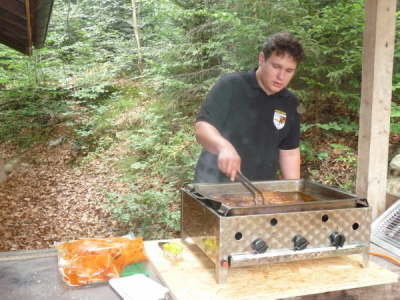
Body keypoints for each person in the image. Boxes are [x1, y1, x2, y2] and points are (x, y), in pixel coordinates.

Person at [194, 32, 304, 183]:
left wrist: (293, 193)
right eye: (276, 66)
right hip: (213, 186)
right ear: (261, 59)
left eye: (289, 71)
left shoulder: (290, 102)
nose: (281, 76)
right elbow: (202, 128)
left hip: (260, 192)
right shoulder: (231, 86)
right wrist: (223, 146)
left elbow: (289, 153)